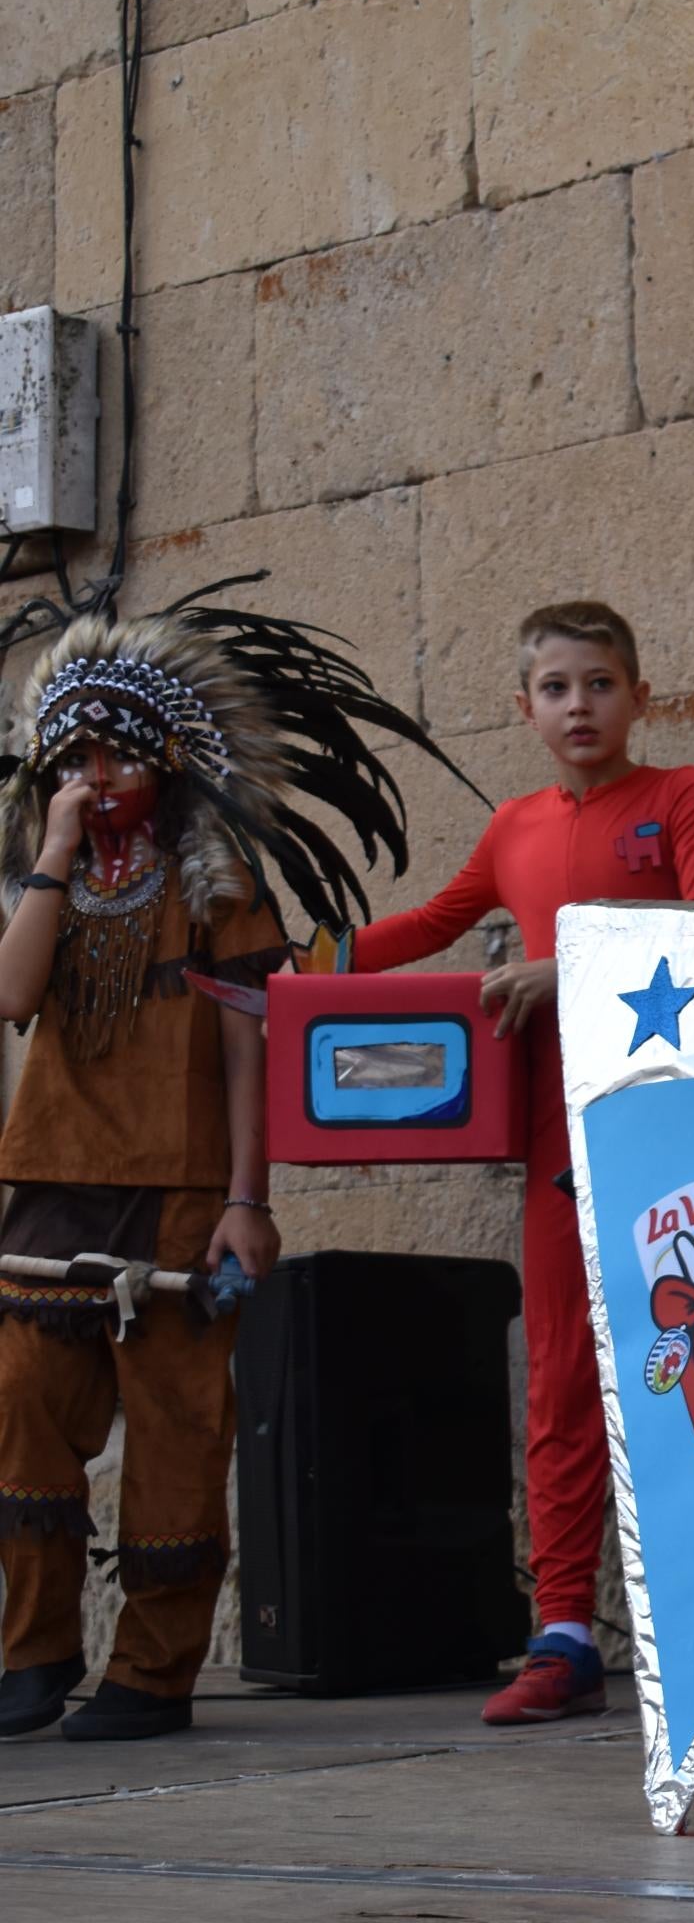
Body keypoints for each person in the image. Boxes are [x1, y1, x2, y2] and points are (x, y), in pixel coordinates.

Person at [0, 597, 451, 1741]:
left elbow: (252, 1045)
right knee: (17, 1403)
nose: (96, 777)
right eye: (73, 757)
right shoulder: (46, 877)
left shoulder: (218, 883)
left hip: (187, 1187)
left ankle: (153, 1670)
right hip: (54, 1179)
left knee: (177, 1426)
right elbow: (12, 996)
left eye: (117, 753)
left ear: (170, 757)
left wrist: (250, 1198)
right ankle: (35, 1650)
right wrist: (51, 852)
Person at [338, 602, 694, 1725]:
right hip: (555, 1144)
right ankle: (563, 1628)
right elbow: (426, 923)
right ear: (524, 707)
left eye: (601, 682)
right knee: (562, 1381)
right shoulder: (512, 826)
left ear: (640, 695)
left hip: (677, 1136)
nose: (580, 705)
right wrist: (307, 960)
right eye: (557, 687)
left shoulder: (680, 796)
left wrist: (574, 969)